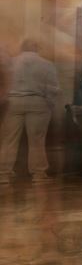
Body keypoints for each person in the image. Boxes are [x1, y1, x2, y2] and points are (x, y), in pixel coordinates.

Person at [1, 39, 60, 185]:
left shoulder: (11, 62)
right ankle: (38, 174)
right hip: (37, 102)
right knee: (37, 140)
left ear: (21, 48)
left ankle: (2, 174)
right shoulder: (47, 64)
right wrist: (49, 104)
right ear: (37, 48)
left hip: (13, 102)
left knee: (8, 140)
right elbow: (52, 88)